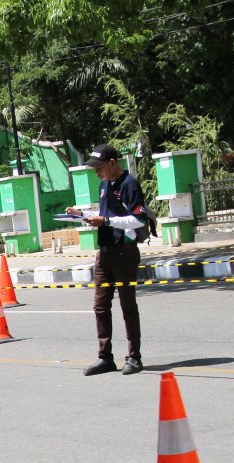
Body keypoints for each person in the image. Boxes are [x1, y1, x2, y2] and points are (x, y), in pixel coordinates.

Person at [66, 144, 149, 376]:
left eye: (99, 167)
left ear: (112, 162)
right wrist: (82, 215)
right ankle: (105, 357)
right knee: (100, 306)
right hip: (104, 253)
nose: (97, 172)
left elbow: (138, 219)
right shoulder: (104, 185)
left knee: (127, 306)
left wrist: (106, 222)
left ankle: (134, 357)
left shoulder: (129, 184)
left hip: (125, 252)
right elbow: (104, 215)